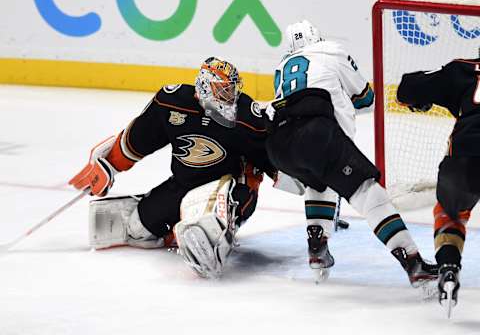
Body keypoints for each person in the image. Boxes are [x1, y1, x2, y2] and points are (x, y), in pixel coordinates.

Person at [263, 20, 438, 286]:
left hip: (278, 144)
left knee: (319, 181)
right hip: (315, 134)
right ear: (317, 36)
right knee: (369, 194)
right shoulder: (331, 50)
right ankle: (413, 262)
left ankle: (317, 248)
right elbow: (366, 99)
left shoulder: (281, 67)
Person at [69, 57, 275, 278]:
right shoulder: (172, 103)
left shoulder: (246, 116)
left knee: (205, 227)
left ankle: (214, 230)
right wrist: (109, 165)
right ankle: (178, 233)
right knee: (137, 229)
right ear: (205, 89)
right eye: (223, 90)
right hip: (182, 185)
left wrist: (296, 173)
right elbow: (139, 139)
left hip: (228, 189)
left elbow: (272, 159)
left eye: (232, 89)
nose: (231, 96)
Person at [397, 57, 480, 310]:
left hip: (464, 156)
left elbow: (406, 89)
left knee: (450, 215)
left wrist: (420, 100)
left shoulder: (464, 69)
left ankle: (448, 267)